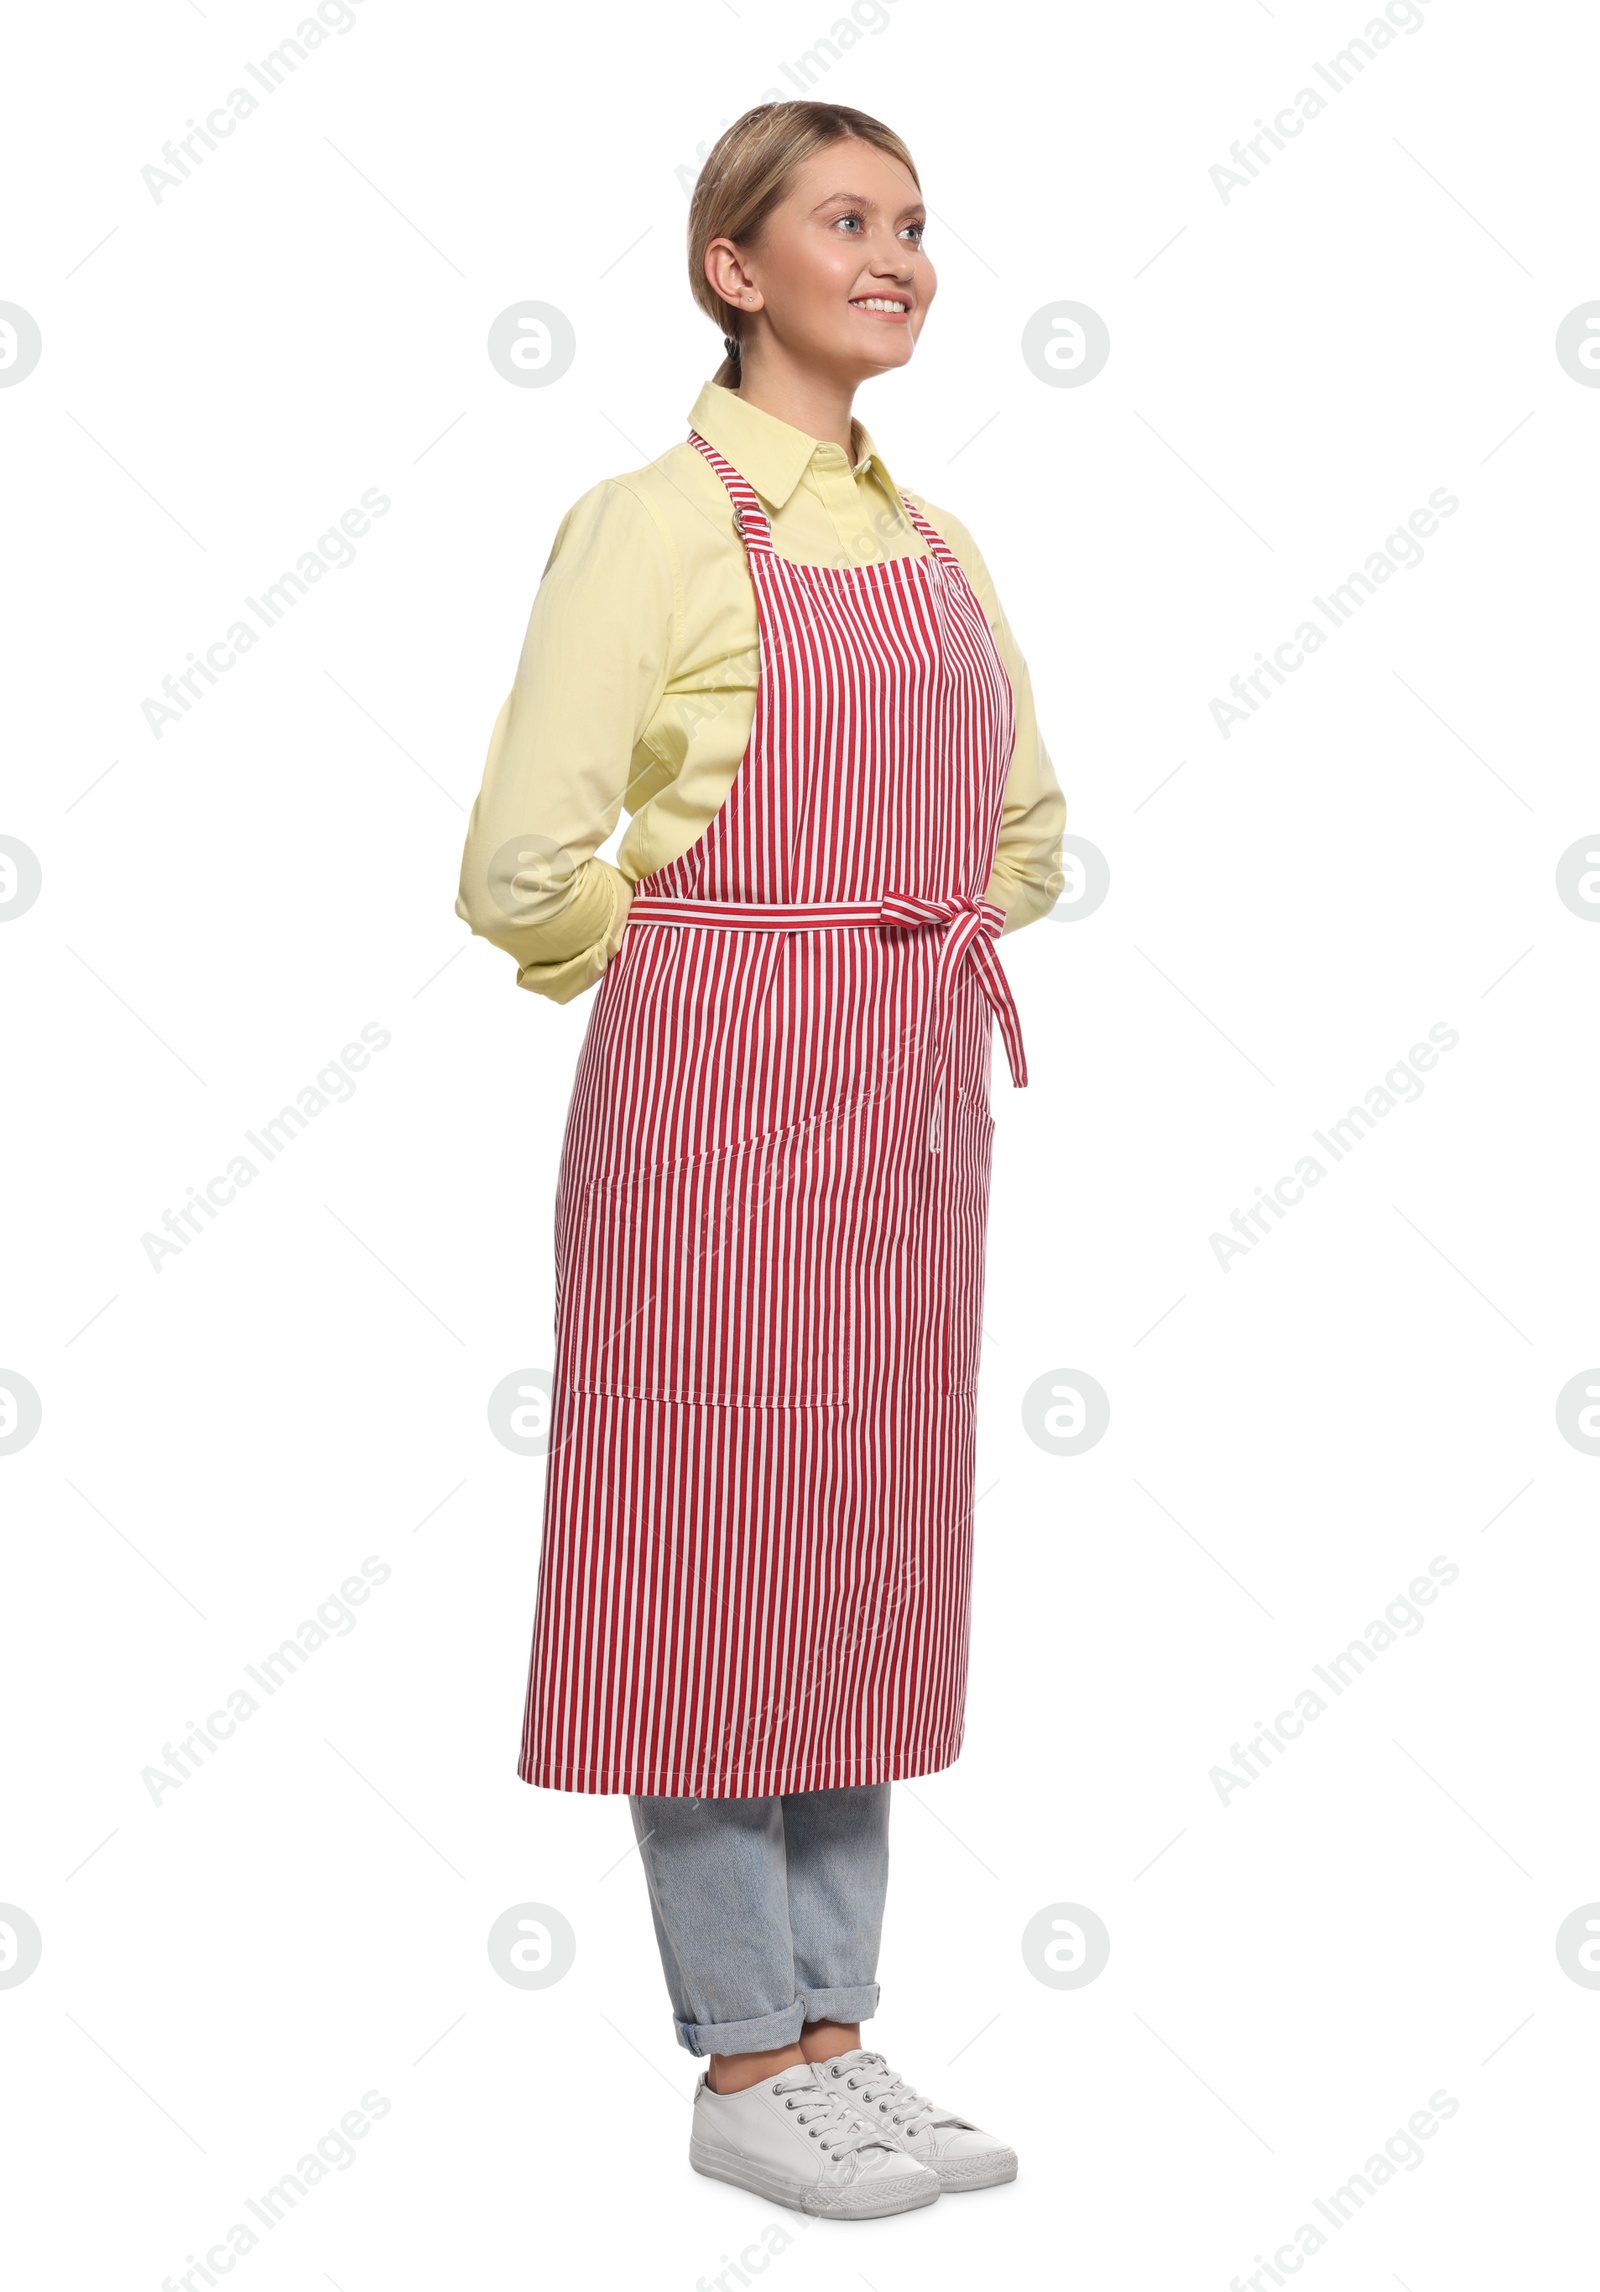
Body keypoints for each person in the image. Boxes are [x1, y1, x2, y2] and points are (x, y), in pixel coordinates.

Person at [456, 98, 1065, 2220]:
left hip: (899, 1117)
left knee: (865, 1552)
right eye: (843, 220)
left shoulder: (927, 543)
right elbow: (521, 856)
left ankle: (839, 2031)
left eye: (912, 223)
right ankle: (738, 2056)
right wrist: (696, 954)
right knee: (712, 1556)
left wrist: (895, 949)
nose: (895, 255)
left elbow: (1023, 833)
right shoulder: (649, 525)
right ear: (735, 269)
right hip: (712, 1108)